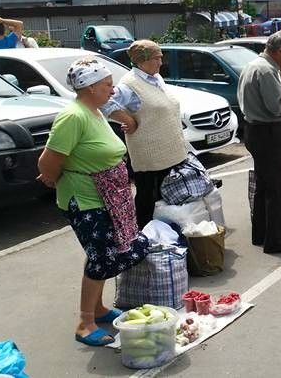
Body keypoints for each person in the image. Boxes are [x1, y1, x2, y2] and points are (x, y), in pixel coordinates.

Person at [37, 57, 148, 347]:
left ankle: (98, 309)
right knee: (101, 256)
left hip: (106, 197)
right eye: (108, 85)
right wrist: (52, 177)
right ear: (89, 87)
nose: (113, 91)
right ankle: (85, 323)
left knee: (102, 252)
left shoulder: (95, 112)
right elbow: (48, 163)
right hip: (86, 199)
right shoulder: (73, 116)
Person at [102, 40, 189, 229]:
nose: (161, 62)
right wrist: (128, 120)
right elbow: (104, 102)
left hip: (170, 152)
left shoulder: (156, 78)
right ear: (143, 60)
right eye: (157, 58)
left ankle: (166, 234)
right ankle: (143, 236)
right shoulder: (130, 84)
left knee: (166, 198)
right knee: (148, 199)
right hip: (150, 157)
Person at [237, 31, 281, 254]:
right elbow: (275, 107)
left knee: (265, 185)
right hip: (267, 131)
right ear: (280, 52)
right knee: (278, 188)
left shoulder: (255, 65)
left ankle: (261, 233)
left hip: (255, 129)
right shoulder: (266, 70)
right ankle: (277, 240)